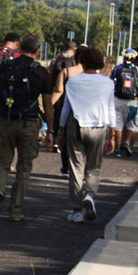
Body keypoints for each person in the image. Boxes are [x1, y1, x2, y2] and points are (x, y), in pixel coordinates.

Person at [0, 33, 54, 222]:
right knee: (24, 168)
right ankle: (15, 210)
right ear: (37, 51)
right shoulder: (41, 72)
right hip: (30, 123)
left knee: (1, 163)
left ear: (20, 48)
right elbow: (48, 105)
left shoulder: (6, 66)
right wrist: (50, 130)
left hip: (6, 120)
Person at [57, 48, 116, 223]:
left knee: (76, 168)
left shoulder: (72, 82)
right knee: (94, 167)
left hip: (76, 124)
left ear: (82, 61)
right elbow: (111, 110)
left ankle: (76, 210)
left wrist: (60, 131)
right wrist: (112, 135)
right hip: (98, 127)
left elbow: (66, 109)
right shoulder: (108, 83)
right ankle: (89, 196)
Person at [51, 44, 86, 176]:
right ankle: (81, 167)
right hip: (86, 111)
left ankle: (66, 167)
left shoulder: (66, 72)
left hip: (66, 108)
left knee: (64, 139)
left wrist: (47, 107)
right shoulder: (94, 75)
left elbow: (59, 91)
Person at [109, 48, 138, 157]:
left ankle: (117, 149)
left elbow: (111, 84)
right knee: (132, 124)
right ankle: (127, 142)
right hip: (133, 102)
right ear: (134, 58)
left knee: (118, 125)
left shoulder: (117, 69)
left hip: (118, 100)